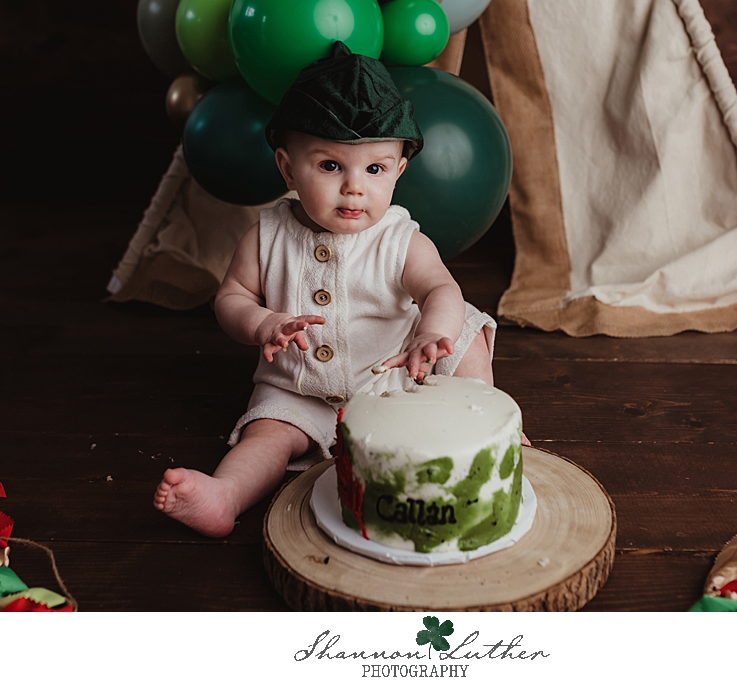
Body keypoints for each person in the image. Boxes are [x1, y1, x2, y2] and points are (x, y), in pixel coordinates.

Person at [154, 42, 524, 537]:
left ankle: (488, 429)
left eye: (374, 169)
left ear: (398, 170)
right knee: (267, 437)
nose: (354, 187)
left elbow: (440, 288)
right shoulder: (265, 237)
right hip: (299, 390)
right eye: (330, 166)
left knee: (466, 334)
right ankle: (226, 495)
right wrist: (262, 322)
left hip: (396, 379)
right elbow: (231, 298)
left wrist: (430, 334)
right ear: (288, 168)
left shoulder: (400, 240)